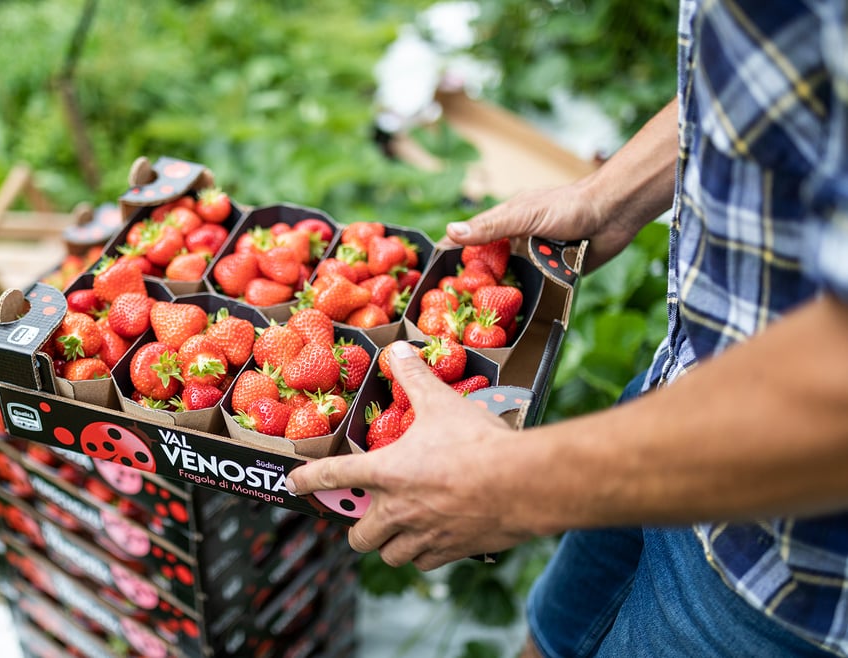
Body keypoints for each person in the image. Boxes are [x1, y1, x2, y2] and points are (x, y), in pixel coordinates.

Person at [287, 1, 848, 656]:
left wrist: (510, 485)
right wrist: (611, 193)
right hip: (683, 384)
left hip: (787, 567)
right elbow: (773, 58)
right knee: (553, 637)